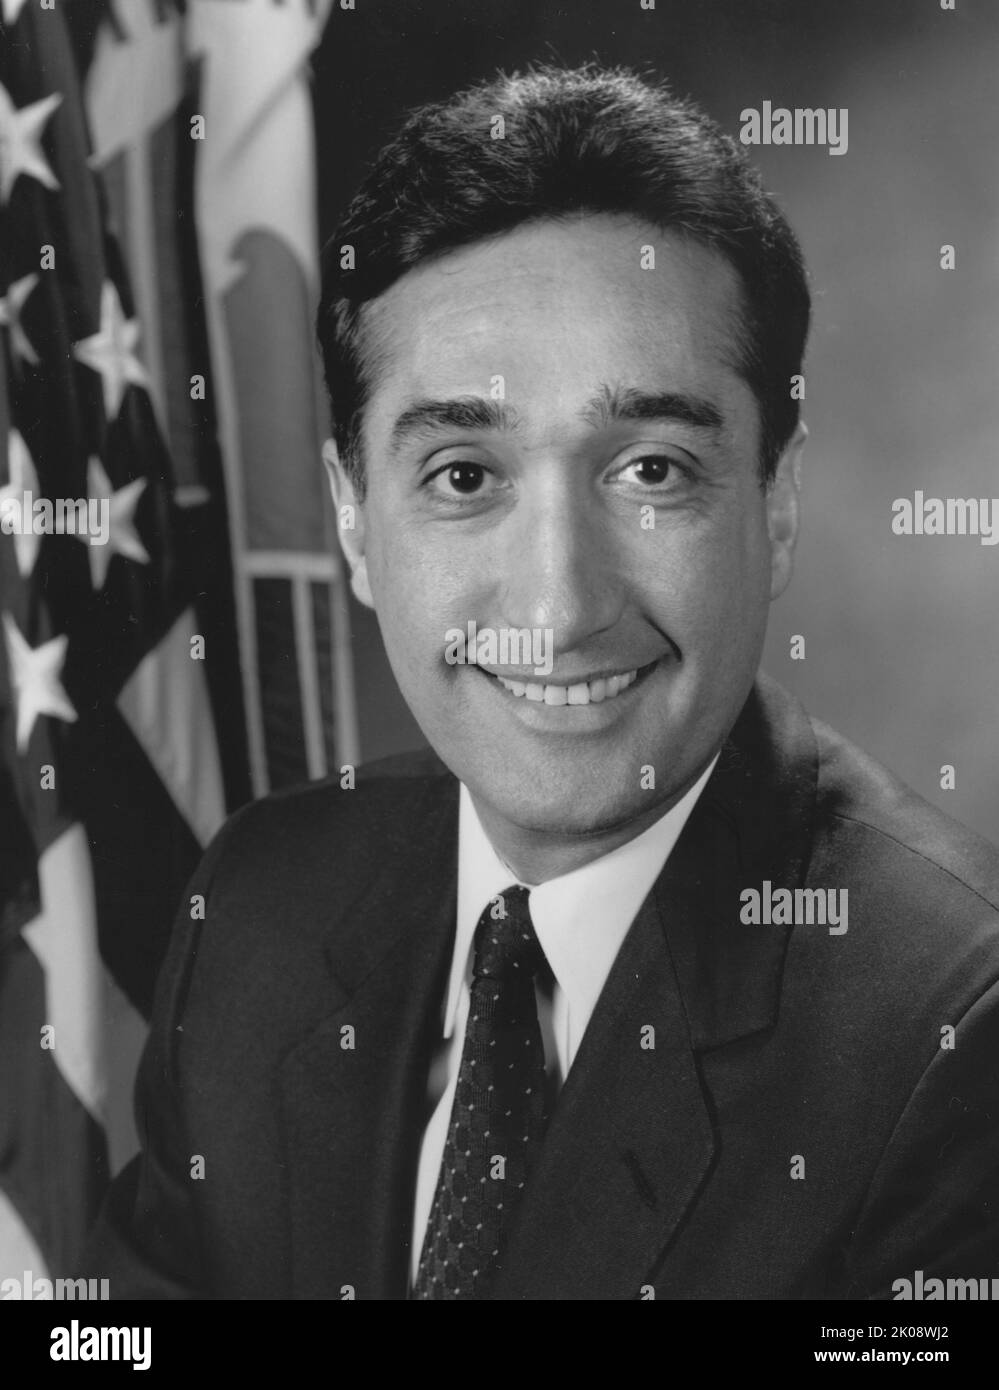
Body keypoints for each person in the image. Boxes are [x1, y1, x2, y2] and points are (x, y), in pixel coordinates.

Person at [83, 63, 999, 1300]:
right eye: (465, 475)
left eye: (652, 470)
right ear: (353, 519)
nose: (560, 613)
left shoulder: (954, 1033)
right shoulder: (259, 907)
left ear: (777, 503)